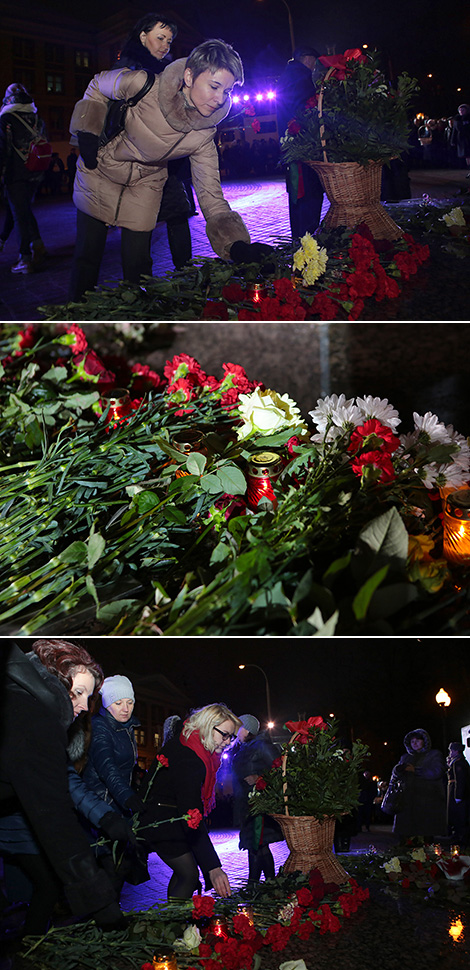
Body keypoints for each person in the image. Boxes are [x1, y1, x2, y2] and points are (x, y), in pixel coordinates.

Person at [68, 39, 269, 301]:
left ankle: (138, 330)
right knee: (87, 258)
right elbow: (97, 84)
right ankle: (74, 328)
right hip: (100, 169)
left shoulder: (204, 134)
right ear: (189, 76)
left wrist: (237, 245)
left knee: (138, 269)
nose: (220, 99)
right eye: (214, 86)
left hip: (146, 185)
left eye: (227, 90)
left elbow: (210, 194)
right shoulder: (143, 84)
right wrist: (87, 129)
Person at [0, 640, 123, 936]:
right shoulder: (33, 717)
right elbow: (53, 816)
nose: (83, 706)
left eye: (88, 696)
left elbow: (61, 776)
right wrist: (102, 903)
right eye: (78, 693)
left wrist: (106, 817)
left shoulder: (22, 702)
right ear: (52, 677)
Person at [112, 12, 193, 270]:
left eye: (169, 41)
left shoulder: (169, 73)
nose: (165, 45)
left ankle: (186, 278)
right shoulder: (126, 70)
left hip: (168, 162)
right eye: (160, 38)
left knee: (178, 215)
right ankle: (138, 289)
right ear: (143, 36)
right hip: (138, 164)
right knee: (139, 227)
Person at [139, 703, 241, 899]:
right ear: (208, 725)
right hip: (162, 821)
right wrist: (213, 867)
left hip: (169, 817)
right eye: (224, 735)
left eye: (231, 736)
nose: (228, 742)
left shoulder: (188, 742)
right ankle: (174, 925)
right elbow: (191, 814)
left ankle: (176, 922)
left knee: (185, 874)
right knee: (189, 874)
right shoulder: (190, 758)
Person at [276, 46, 324, 239]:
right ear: (306, 59)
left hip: (291, 145)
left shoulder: (286, 76)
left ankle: (299, 238)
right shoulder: (302, 77)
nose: (314, 66)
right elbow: (308, 110)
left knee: (297, 195)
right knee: (308, 194)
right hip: (304, 146)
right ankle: (307, 240)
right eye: (313, 61)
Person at [0, 83, 48, 274]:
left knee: (20, 214)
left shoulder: (6, 118)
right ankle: (38, 246)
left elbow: (3, 149)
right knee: (22, 209)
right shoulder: (37, 117)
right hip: (35, 172)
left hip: (16, 174)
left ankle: (25, 258)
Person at [232, 714, 283, 882]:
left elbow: (280, 769)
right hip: (248, 805)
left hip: (260, 804)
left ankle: (254, 884)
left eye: (237, 727)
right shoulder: (243, 747)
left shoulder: (262, 745)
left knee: (256, 845)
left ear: (246, 729)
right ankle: (268, 883)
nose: (235, 731)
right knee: (257, 846)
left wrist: (259, 778)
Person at [390, 728, 447, 840]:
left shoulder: (434, 755)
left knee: (426, 834)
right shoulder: (405, 757)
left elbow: (437, 771)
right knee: (406, 835)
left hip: (427, 800)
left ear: (424, 741)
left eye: (417, 740)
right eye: (412, 741)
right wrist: (397, 771)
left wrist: (416, 770)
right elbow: (396, 776)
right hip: (407, 801)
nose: (414, 743)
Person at [447, 741, 470, 845]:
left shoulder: (458, 762)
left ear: (456, 751)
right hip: (458, 792)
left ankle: (460, 839)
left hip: (457, 793)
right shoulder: (459, 761)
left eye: (452, 750)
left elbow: (460, 780)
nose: (450, 752)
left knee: (459, 817)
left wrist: (458, 796)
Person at [450, 104, 470, 171]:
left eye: (463, 110)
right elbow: (454, 130)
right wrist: (453, 140)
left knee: (468, 154)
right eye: (460, 110)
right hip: (461, 139)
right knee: (464, 154)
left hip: (468, 138)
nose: (461, 111)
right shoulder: (457, 119)